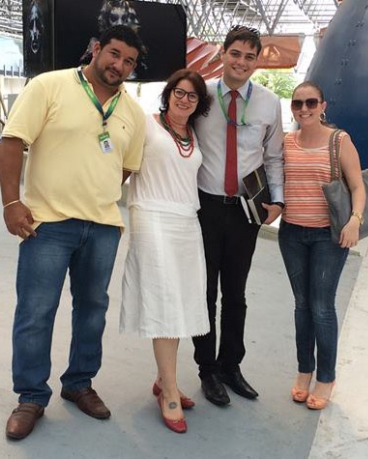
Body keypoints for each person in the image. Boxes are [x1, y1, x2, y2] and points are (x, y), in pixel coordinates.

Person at [0, 25, 146, 440]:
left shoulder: (132, 113)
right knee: (35, 311)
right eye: (114, 54)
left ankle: (79, 383)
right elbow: (12, 141)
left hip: (103, 228)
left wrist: (94, 191)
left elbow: (126, 167)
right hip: (47, 223)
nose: (119, 65)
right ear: (96, 49)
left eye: (129, 61)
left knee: (92, 311)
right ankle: (31, 396)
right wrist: (11, 203)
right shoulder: (49, 86)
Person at [193, 25, 284, 406]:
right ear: (223, 53)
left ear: (257, 61)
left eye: (249, 56)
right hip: (205, 206)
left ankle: (231, 365)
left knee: (236, 293)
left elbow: (274, 156)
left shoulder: (268, 102)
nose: (241, 62)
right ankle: (207, 369)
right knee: (204, 292)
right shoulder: (200, 94)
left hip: (246, 210)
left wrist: (277, 202)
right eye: (235, 53)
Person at [120, 69, 212, 433]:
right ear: (168, 93)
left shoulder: (194, 134)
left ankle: (164, 379)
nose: (184, 99)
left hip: (186, 221)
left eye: (192, 95)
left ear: (198, 103)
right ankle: (170, 390)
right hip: (151, 214)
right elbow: (122, 163)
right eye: (179, 92)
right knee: (164, 301)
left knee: (181, 301)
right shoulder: (146, 124)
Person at [278, 81, 365, 410]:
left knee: (321, 306)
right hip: (291, 234)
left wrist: (355, 220)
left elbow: (357, 186)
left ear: (323, 106)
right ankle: (305, 371)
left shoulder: (339, 141)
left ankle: (326, 378)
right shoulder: (287, 142)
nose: (304, 109)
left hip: (328, 236)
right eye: (298, 103)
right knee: (302, 305)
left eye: (311, 102)